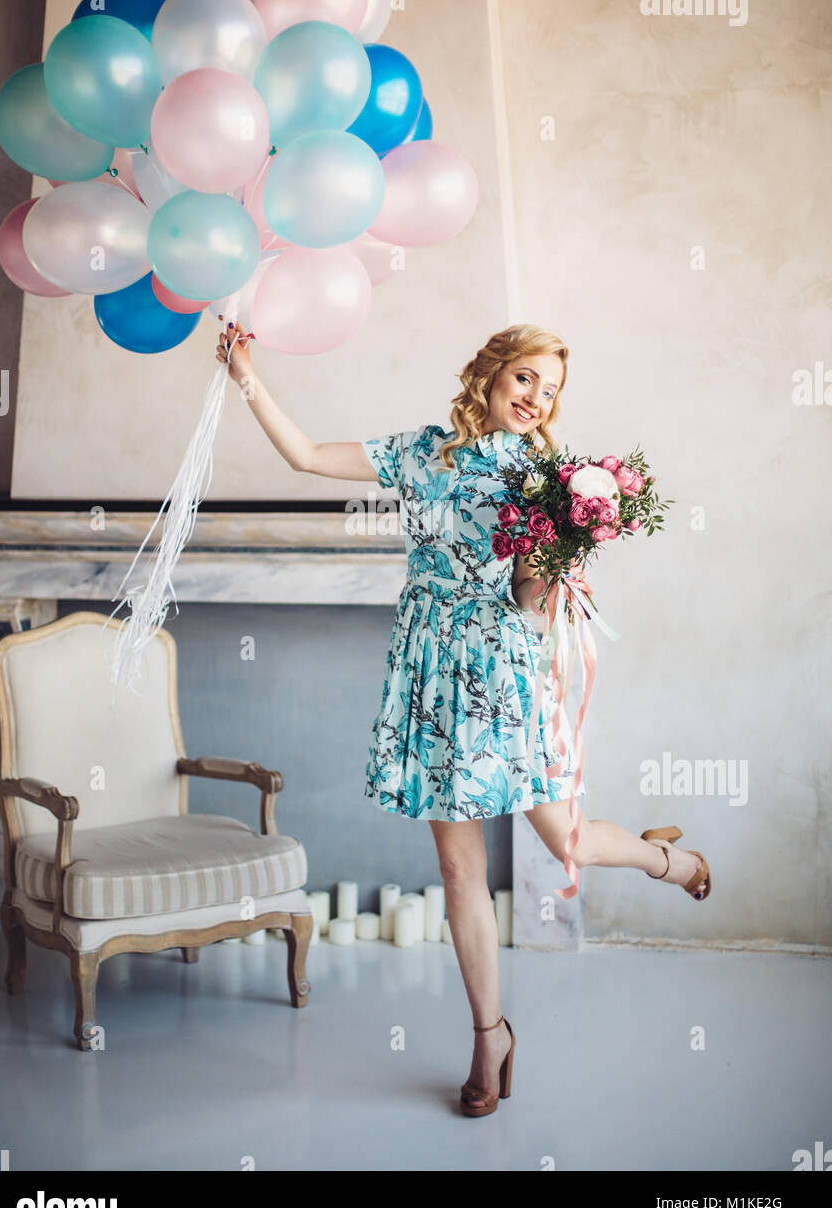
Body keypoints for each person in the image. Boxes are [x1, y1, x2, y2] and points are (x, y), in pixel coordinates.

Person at [216, 319, 710, 1118]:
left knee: (566, 840)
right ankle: (490, 1036)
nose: (535, 398)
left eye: (549, 390)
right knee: (458, 870)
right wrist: (246, 374)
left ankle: (670, 863)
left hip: (502, 668)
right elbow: (305, 456)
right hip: (428, 662)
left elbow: (530, 601)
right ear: (491, 372)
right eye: (526, 379)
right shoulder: (421, 452)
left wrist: (556, 565)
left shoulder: (546, 476)